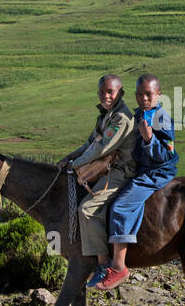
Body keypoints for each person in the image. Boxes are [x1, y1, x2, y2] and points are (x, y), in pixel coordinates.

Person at [93, 74, 179, 291]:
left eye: (149, 94)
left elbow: (167, 155)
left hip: (156, 172)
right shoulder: (139, 113)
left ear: (158, 94)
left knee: (121, 206)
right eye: (140, 94)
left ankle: (119, 266)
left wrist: (149, 140)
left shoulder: (161, 118)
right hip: (140, 169)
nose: (144, 98)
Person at [58, 74, 138, 286]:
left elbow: (102, 148)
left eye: (110, 92)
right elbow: (91, 143)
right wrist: (71, 156)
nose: (106, 96)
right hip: (107, 167)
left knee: (86, 209)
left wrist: (75, 166)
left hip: (121, 171)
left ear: (120, 93)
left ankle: (103, 265)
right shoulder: (106, 116)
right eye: (102, 92)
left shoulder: (121, 118)